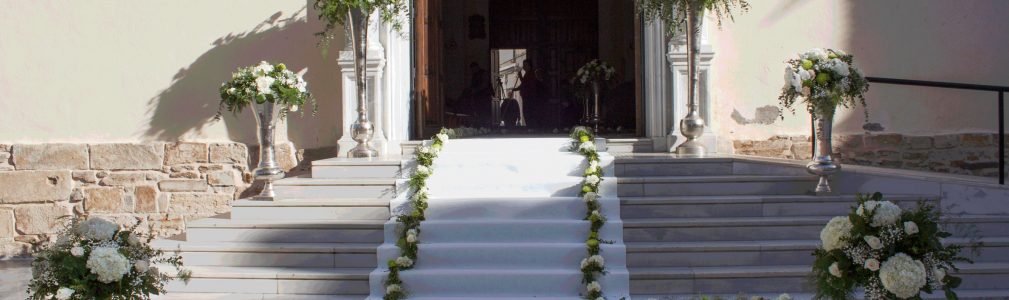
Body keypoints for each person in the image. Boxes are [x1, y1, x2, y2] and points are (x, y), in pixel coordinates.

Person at [515, 60, 542, 129]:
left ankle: (531, 127)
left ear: (529, 66)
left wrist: (520, 77)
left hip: (530, 97)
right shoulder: (527, 74)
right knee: (526, 112)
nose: (523, 66)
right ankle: (530, 127)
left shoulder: (531, 74)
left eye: (525, 65)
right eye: (523, 65)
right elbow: (523, 84)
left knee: (529, 112)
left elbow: (526, 84)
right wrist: (516, 89)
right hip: (526, 96)